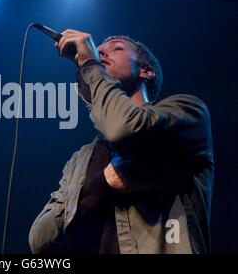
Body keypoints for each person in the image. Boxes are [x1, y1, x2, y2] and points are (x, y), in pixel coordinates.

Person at [29, 29, 214, 254]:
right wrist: (102, 184)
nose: (100, 51)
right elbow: (39, 239)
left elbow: (123, 127)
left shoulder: (187, 113)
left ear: (146, 71)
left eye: (116, 47)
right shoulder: (80, 159)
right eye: (99, 50)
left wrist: (90, 65)